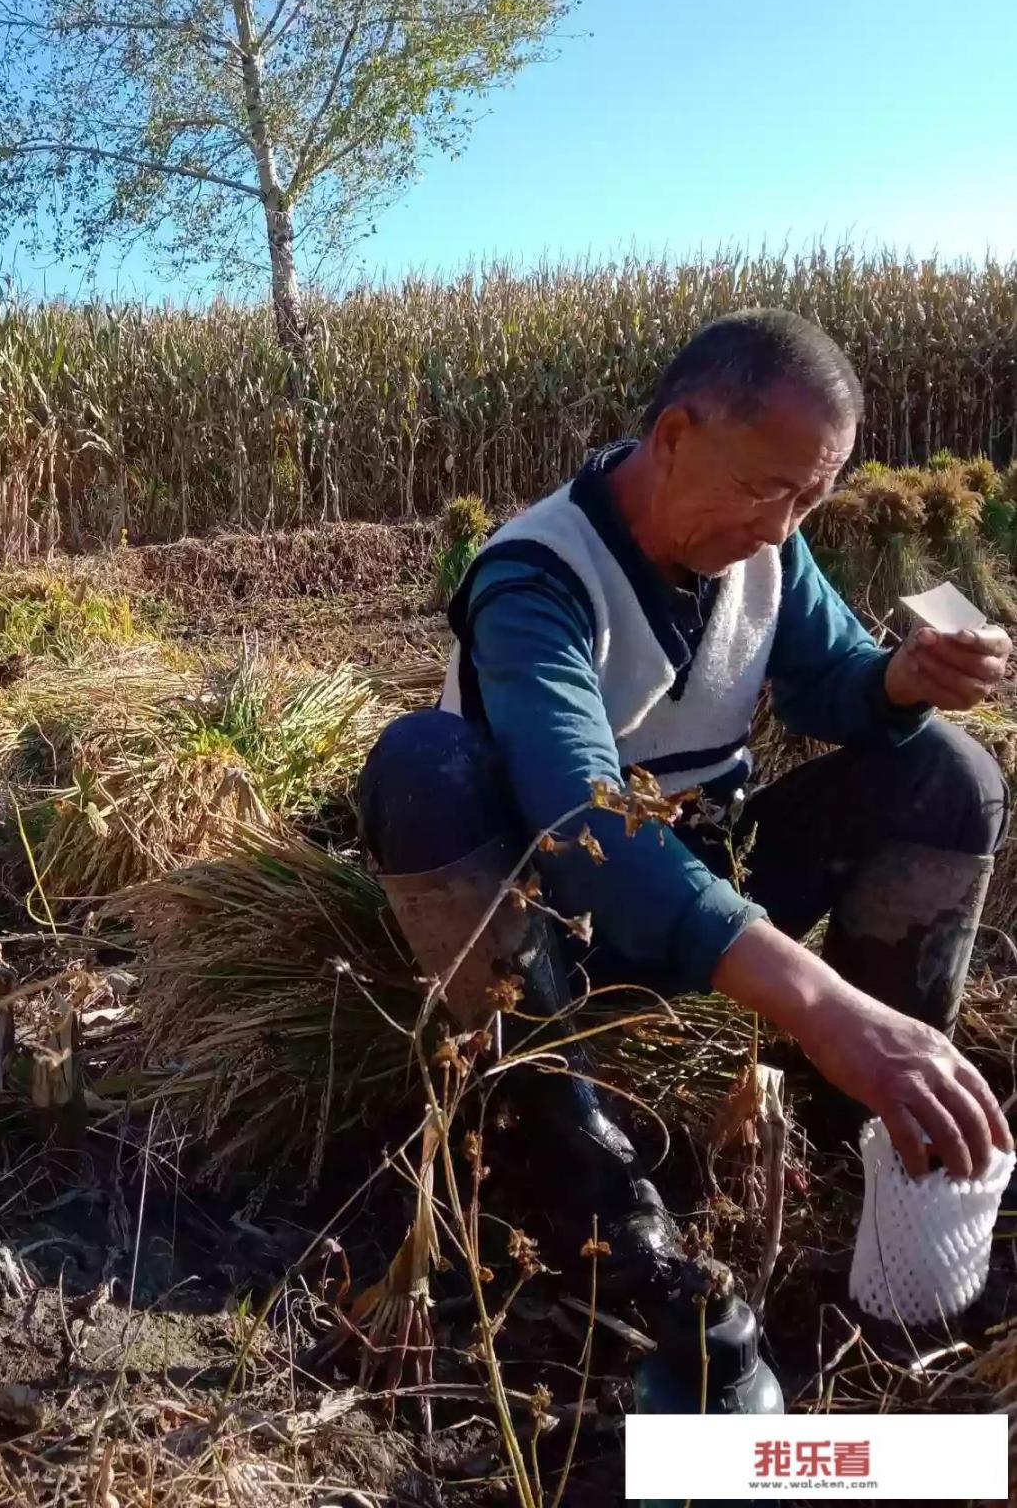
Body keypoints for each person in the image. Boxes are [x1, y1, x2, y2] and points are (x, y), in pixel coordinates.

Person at [360, 309, 1014, 1299]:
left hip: (709, 878)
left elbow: (828, 677)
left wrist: (904, 681)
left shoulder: (767, 546)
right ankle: (566, 1147)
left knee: (951, 773)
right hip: (552, 931)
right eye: (764, 491)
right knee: (420, 766)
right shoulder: (536, 578)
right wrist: (823, 1007)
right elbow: (585, 819)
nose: (779, 529)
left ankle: (878, 1120)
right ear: (674, 437)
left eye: (809, 500)